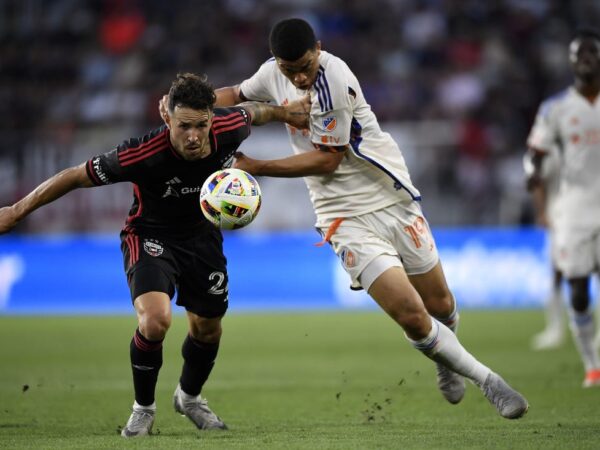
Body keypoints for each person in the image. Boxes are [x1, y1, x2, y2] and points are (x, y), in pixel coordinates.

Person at [214, 18, 529, 418]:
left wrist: (257, 165)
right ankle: (490, 382)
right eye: (288, 69)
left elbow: (328, 160)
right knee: (413, 316)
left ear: (319, 49)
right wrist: (189, 103)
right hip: (342, 216)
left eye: (305, 66)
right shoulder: (272, 72)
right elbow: (235, 93)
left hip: (389, 197)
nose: (297, 76)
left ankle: (445, 358)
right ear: (276, 61)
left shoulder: (333, 78)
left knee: (441, 304)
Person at [0, 72, 309, 437]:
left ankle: (189, 397)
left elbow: (254, 112)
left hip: (202, 238)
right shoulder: (141, 153)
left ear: (212, 117)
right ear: (168, 119)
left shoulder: (230, 126)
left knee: (208, 330)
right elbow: (75, 176)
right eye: (184, 126)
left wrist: (287, 113)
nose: (193, 136)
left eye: (201, 125)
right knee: (155, 320)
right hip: (150, 236)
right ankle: (143, 409)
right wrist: (16, 211)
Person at [526, 27, 600, 387]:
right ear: (572, 62)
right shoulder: (555, 108)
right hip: (573, 210)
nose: (586, 60)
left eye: (592, 53)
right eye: (580, 54)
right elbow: (534, 153)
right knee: (579, 289)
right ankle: (592, 366)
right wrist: (531, 172)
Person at [523, 148, 566, 350]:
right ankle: (555, 328)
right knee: (557, 272)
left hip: (591, 214)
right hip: (560, 216)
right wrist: (542, 212)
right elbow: (537, 180)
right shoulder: (547, 149)